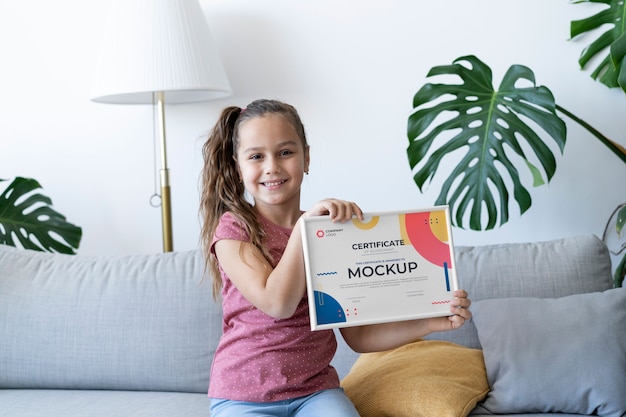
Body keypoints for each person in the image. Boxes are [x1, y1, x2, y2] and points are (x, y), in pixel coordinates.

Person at [199, 99, 472, 417]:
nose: (272, 166)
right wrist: (305, 228)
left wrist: (429, 321)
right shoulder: (234, 229)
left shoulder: (329, 232)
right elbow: (277, 303)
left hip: (315, 393)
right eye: (256, 156)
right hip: (243, 396)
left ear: (307, 158)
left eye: (285, 152)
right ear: (237, 166)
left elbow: (359, 335)